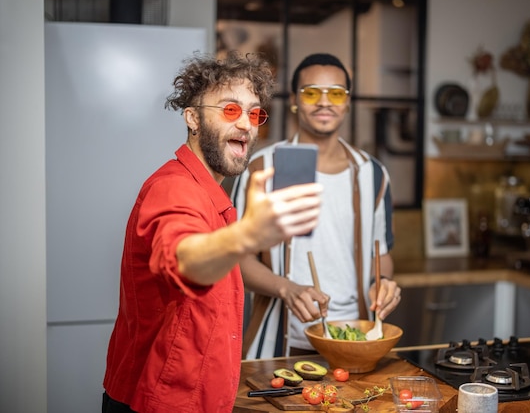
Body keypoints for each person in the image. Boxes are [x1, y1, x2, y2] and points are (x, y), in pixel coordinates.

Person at [102, 51, 323, 413]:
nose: (247, 125)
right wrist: (247, 237)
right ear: (192, 118)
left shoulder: (211, 193)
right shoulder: (173, 189)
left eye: (253, 113)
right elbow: (184, 259)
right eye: (230, 110)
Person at [231, 53, 402, 359]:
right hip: (279, 343)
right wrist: (286, 288)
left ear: (347, 102)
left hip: (354, 340)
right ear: (295, 100)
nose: (325, 102)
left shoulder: (372, 173)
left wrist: (383, 283)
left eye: (336, 93)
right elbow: (234, 259)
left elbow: (382, 254)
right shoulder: (263, 168)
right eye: (312, 92)